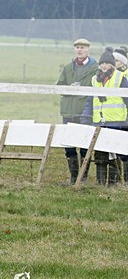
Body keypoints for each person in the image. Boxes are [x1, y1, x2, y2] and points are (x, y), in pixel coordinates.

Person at [81, 47, 128, 186]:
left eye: (107, 63)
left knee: (115, 153)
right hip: (99, 121)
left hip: (117, 121)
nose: (104, 66)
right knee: (100, 153)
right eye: (102, 63)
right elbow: (90, 100)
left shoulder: (121, 78)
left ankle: (114, 183)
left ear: (112, 64)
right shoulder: (94, 80)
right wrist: (86, 115)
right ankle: (100, 183)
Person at [56, 38, 98, 184]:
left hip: (85, 111)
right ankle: (73, 177)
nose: (79, 50)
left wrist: (82, 89)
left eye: (82, 47)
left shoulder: (95, 68)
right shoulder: (68, 68)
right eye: (77, 47)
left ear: (88, 50)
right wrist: (69, 88)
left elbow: (97, 87)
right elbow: (59, 87)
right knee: (69, 145)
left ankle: (83, 177)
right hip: (69, 110)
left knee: (85, 145)